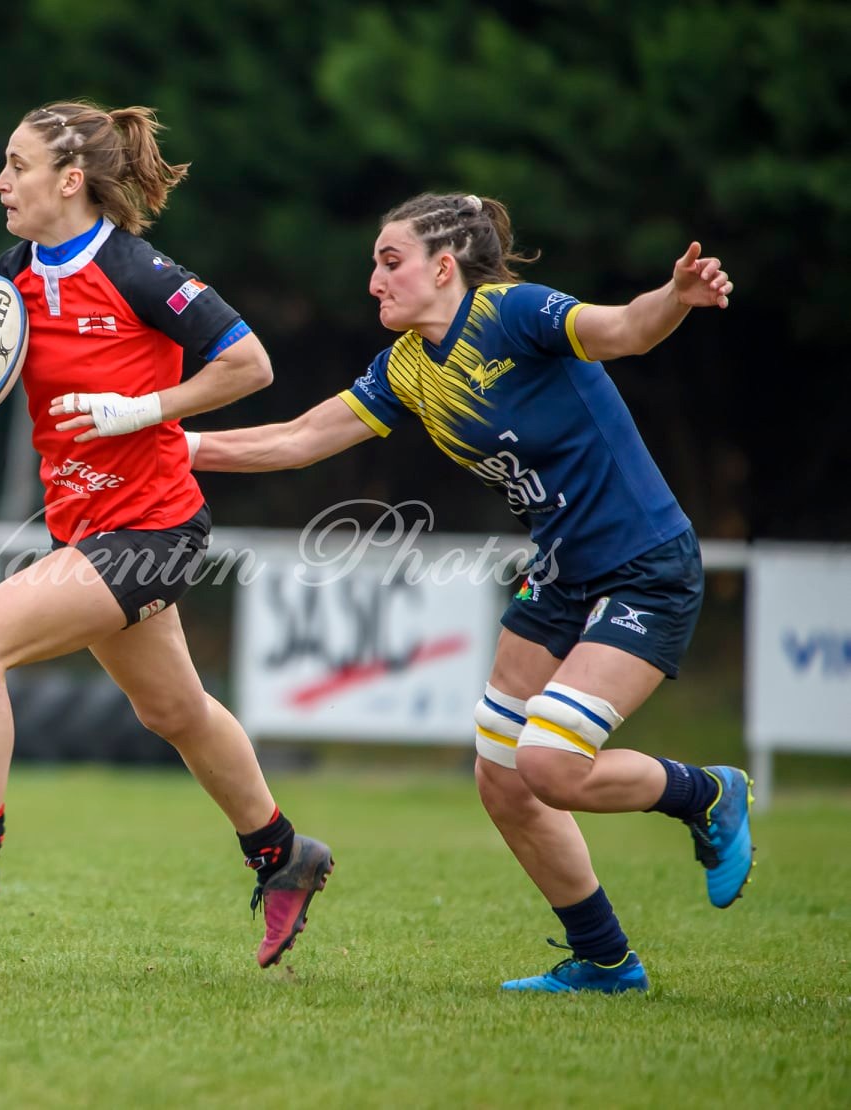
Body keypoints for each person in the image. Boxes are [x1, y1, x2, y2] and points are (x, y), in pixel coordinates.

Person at [160, 193, 747, 993]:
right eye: (374, 264)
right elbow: (300, 439)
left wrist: (673, 297)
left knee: (549, 766)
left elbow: (623, 330)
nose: (374, 281)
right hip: (561, 574)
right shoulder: (406, 367)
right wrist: (173, 445)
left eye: (390, 262)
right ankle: (606, 961)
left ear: (444, 268)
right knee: (501, 776)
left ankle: (707, 793)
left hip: (644, 565)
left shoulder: (513, 314)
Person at [0, 100, 333, 968]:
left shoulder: (138, 271)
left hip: (153, 527)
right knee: (173, 710)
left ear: (70, 180)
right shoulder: (5, 280)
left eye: (17, 165)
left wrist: (144, 408)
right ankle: (284, 854)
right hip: (86, 530)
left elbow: (250, 365)